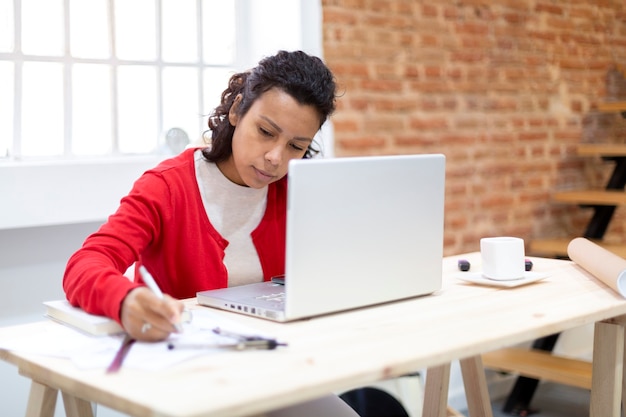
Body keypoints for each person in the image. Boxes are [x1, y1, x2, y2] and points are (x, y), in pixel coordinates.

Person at [63, 50, 360, 417]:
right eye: (266, 132)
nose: (275, 158)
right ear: (236, 111)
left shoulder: (295, 191)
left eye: (296, 146)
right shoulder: (168, 187)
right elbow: (85, 264)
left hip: (272, 372)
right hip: (188, 382)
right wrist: (124, 301)